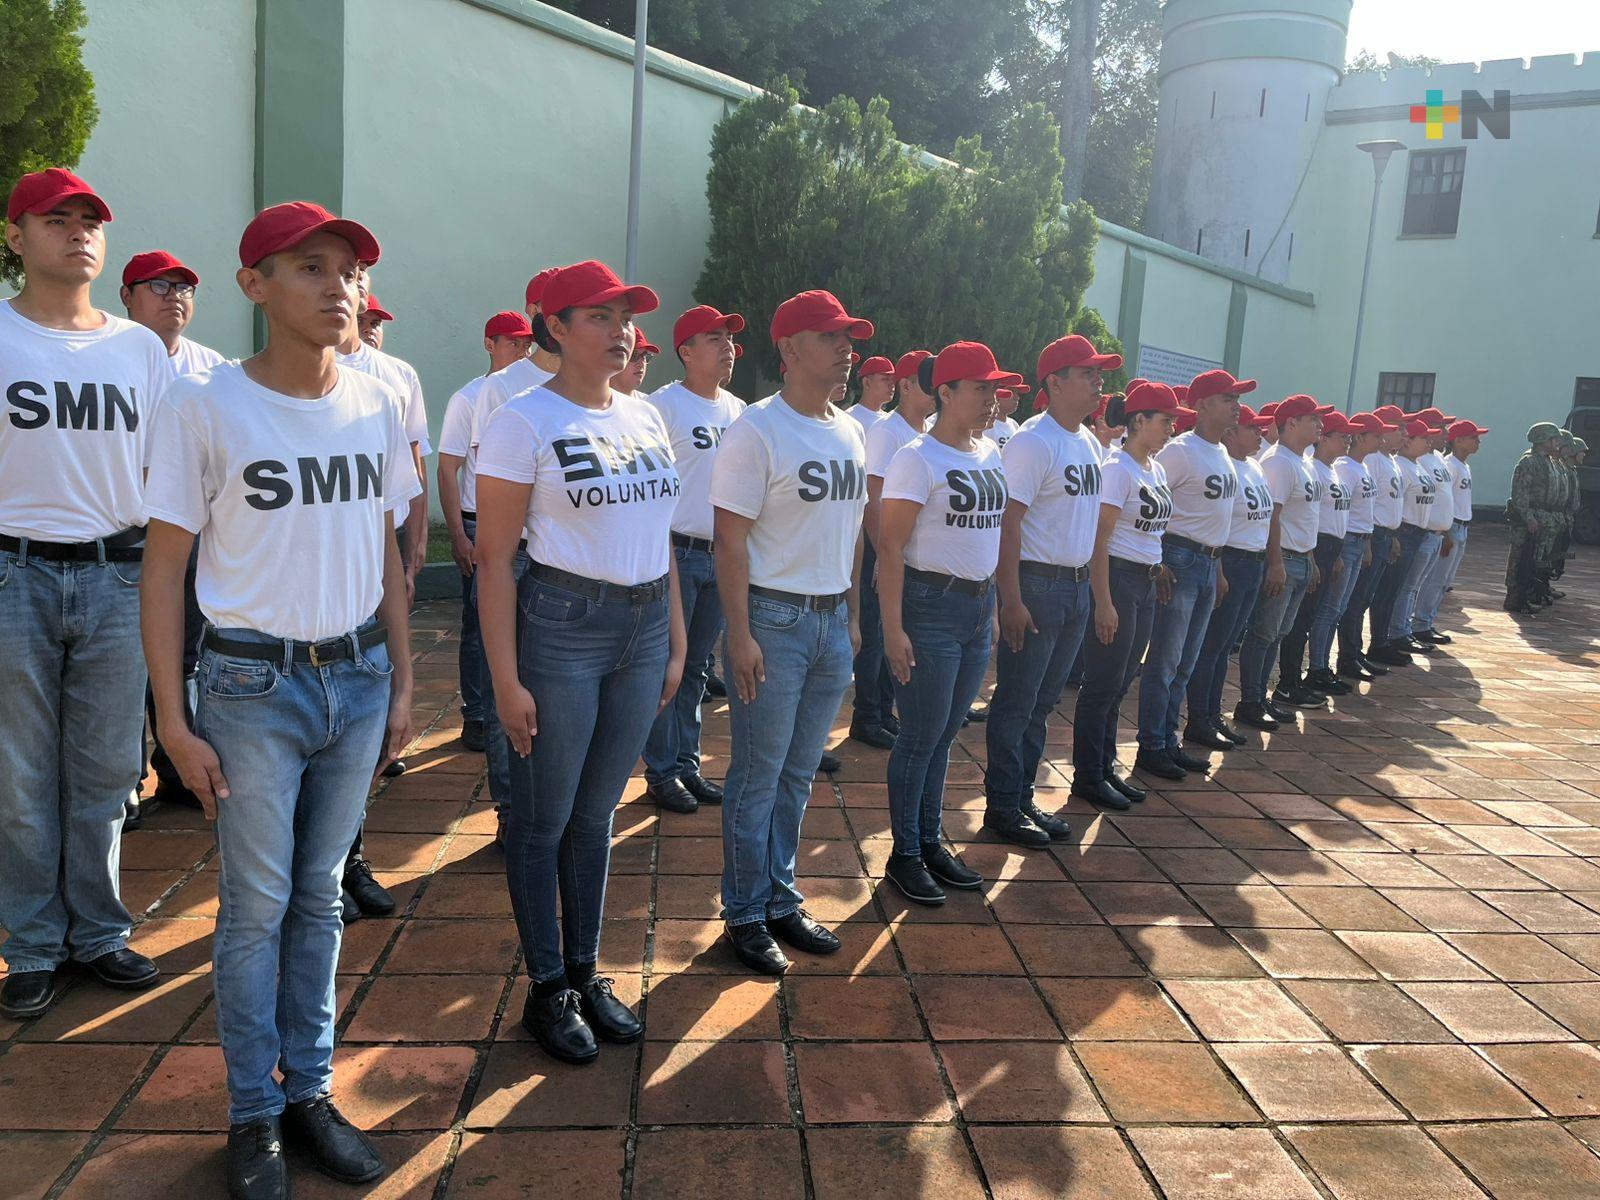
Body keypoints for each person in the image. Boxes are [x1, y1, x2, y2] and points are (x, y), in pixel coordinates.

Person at [142, 200, 418, 1198]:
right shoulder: (206, 405)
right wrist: (172, 719)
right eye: (309, 267)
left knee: (321, 900)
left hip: (357, 676)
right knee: (256, 908)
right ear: (255, 285)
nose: (337, 285)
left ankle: (308, 1091)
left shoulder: (378, 400)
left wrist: (401, 680)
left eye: (346, 269)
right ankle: (253, 1114)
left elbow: (387, 550)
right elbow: (164, 565)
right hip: (251, 685)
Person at [474, 260, 684, 1063]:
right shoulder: (520, 421)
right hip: (560, 625)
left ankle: (588, 970)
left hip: (642, 629)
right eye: (599, 315)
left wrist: (673, 638)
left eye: (624, 315)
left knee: (596, 815)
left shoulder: (643, 417)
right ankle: (547, 985)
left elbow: (658, 531)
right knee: (543, 819)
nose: (620, 329)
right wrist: (504, 679)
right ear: (554, 328)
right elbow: (494, 561)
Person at [0, 168, 167, 1022]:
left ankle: (97, 932)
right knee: (21, 773)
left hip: (118, 574)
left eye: (90, 220)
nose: (78, 233)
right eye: (56, 219)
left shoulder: (137, 348)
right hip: (12, 573)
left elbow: (166, 470)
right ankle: (30, 944)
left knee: (106, 770)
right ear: (15, 235)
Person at [710, 289, 870, 976]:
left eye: (848, 337)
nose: (846, 348)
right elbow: (728, 539)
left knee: (799, 775)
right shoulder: (757, 429)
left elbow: (856, 532)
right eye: (831, 337)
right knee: (757, 775)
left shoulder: (853, 429)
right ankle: (744, 913)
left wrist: (855, 618)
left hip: (832, 620)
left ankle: (779, 897)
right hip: (773, 621)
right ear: (790, 349)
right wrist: (738, 635)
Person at [877, 342, 1018, 902]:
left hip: (976, 610)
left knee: (943, 738)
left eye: (993, 388)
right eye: (980, 388)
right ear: (947, 393)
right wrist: (892, 629)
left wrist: (1001, 604)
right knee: (919, 737)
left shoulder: (989, 453)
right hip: (929, 608)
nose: (992, 399)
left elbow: (999, 532)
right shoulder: (917, 458)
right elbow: (889, 548)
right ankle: (904, 854)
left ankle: (929, 842)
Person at [984, 334, 1123, 842]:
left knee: (1042, 703)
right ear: (1055, 382)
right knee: (1018, 702)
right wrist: (1012, 598)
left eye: (1099, 374)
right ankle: (1001, 806)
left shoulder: (1087, 440)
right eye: (1088, 374)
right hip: (1038, 586)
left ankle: (1020, 798)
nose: (1098, 383)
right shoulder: (1032, 442)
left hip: (1076, 586)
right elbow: (1008, 523)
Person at [119, 250, 228, 826]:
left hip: (189, 533)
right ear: (127, 296)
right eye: (157, 286)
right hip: (123, 533)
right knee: (126, 657)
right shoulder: (110, 358)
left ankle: (177, 762)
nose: (173, 296)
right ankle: (129, 778)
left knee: (185, 651)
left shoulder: (212, 370)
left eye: (185, 286)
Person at [642, 305, 745, 814]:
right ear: (686, 351)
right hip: (676, 553)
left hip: (722, 554)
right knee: (671, 665)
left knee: (700, 667)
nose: (728, 347)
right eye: (714, 338)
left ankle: (686, 764)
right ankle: (661, 772)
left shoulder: (739, 410)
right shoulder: (662, 407)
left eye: (729, 339)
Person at [1134, 369, 1247, 781]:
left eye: (1236, 398)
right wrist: (1159, 560)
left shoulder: (1222, 452)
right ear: (1200, 405)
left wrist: (1216, 569)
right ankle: (1151, 745)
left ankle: (1169, 739)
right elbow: (1153, 506)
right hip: (1179, 560)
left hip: (1208, 561)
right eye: (1226, 398)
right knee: (1164, 660)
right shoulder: (1180, 451)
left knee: (1186, 662)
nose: (1235, 405)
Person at [1071, 382, 1178, 809]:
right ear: (1138, 421)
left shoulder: (1156, 468)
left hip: (1146, 582)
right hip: (1117, 580)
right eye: (1165, 420)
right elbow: (1100, 538)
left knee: (1120, 683)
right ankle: (1087, 775)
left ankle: (1105, 766)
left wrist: (1161, 566)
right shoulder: (1117, 468)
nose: (1171, 428)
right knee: (1101, 683)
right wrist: (1103, 601)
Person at [436, 312, 537, 756]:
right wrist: (458, 532)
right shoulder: (471, 397)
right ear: (488, 344)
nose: (520, 349)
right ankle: (476, 715)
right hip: (481, 522)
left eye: (524, 342)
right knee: (480, 628)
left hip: (529, 527)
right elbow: (449, 467)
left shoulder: (536, 392)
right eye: (511, 342)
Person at [854, 351, 937, 749]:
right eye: (927, 382)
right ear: (906, 386)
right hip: (884, 549)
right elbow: (873, 497)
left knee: (899, 632)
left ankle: (885, 712)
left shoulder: (930, 430)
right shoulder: (888, 431)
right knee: (875, 636)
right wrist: (879, 554)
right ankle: (867, 716)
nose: (936, 390)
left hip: (908, 553)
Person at [1232, 395, 1329, 731]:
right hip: (1283, 560)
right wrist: (1275, 563)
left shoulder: (1304, 462)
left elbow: (1306, 517)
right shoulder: (1279, 462)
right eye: (1312, 419)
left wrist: (1312, 559)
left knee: (1279, 634)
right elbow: (1272, 517)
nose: (1319, 425)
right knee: (1263, 633)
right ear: (1291, 423)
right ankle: (1250, 701)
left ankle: (1262, 697)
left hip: (1301, 559)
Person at [1185, 403, 1276, 744]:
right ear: (1232, 434)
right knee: (1211, 646)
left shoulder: (1253, 467)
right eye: (1253, 428)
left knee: (1224, 647)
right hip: (1230, 561)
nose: (1259, 435)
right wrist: (1219, 569)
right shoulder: (1224, 464)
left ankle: (1212, 713)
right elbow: (1217, 522)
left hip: (1253, 562)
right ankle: (1199, 719)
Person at [1274, 411, 1353, 708]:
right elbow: (1282, 516)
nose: (1347, 441)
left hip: (1318, 550)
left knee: (1303, 620)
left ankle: (1293, 680)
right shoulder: (1294, 464)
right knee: (1289, 625)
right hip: (1304, 549)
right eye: (1341, 436)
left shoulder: (1317, 468)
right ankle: (1287, 682)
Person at [1304, 414, 1382, 695]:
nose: (1347, 440)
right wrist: (1338, 551)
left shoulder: (1346, 468)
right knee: (1327, 610)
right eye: (1343, 436)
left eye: (1350, 436)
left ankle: (1323, 666)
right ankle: (1317, 667)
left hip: (1354, 543)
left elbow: (1355, 509)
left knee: (1337, 608)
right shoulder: (1343, 468)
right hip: (1340, 544)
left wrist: (1367, 545)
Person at [1369, 419, 1446, 665]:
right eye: (1423, 437)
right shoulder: (1397, 464)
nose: (1429, 442)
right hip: (1401, 533)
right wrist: (1394, 535)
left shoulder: (1415, 465)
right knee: (1389, 590)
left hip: (1417, 533)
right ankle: (1384, 639)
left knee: (1401, 588)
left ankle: (1389, 637)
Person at [1337, 411, 1403, 681]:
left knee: (1363, 598)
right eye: (1378, 433)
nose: (1382, 437)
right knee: (1353, 600)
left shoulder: (1372, 461)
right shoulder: (1369, 461)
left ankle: (1355, 653)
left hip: (1376, 535)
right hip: (1367, 535)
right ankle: (1348, 656)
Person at [1414, 419, 1487, 643]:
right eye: (1473, 437)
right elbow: (1442, 500)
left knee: (1445, 580)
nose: (1478, 442)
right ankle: (1420, 623)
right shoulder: (1450, 465)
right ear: (1459, 440)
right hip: (1451, 527)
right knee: (1435, 579)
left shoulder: (1463, 465)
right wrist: (1446, 532)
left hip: (1462, 526)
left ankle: (1427, 620)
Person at [1504, 423, 1566, 615]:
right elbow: (1520, 494)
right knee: (1520, 559)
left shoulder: (1550, 461)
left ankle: (1529, 594)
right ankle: (1515, 597)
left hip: (1545, 520)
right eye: (1553, 439)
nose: (1556, 442)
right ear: (1542, 439)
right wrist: (1528, 518)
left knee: (1536, 561)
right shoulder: (1528, 462)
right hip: (1530, 520)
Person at [845, 355, 895, 433]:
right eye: (885, 379)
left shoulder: (890, 419)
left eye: (893, 379)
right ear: (866, 383)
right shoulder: (850, 418)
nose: (892, 384)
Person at [613, 328, 657, 396]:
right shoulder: (594, 403)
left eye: (644, 356)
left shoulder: (648, 402)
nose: (641, 363)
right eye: (634, 355)